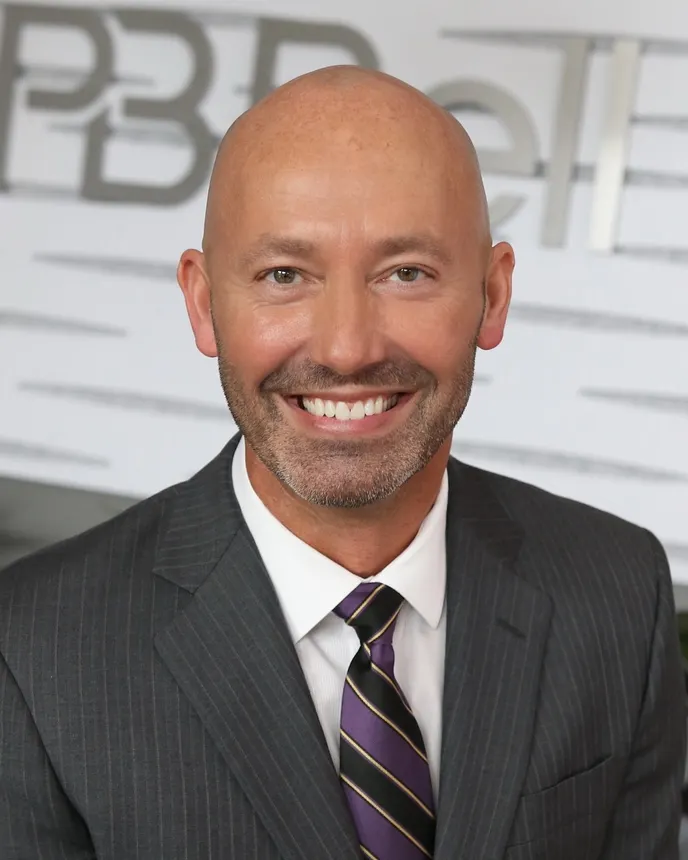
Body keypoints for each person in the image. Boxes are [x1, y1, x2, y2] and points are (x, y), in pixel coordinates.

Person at [0, 66, 684, 860]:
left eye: (407, 273)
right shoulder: (33, 647)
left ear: (493, 297)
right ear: (202, 302)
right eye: (284, 275)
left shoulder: (615, 589)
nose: (347, 348)